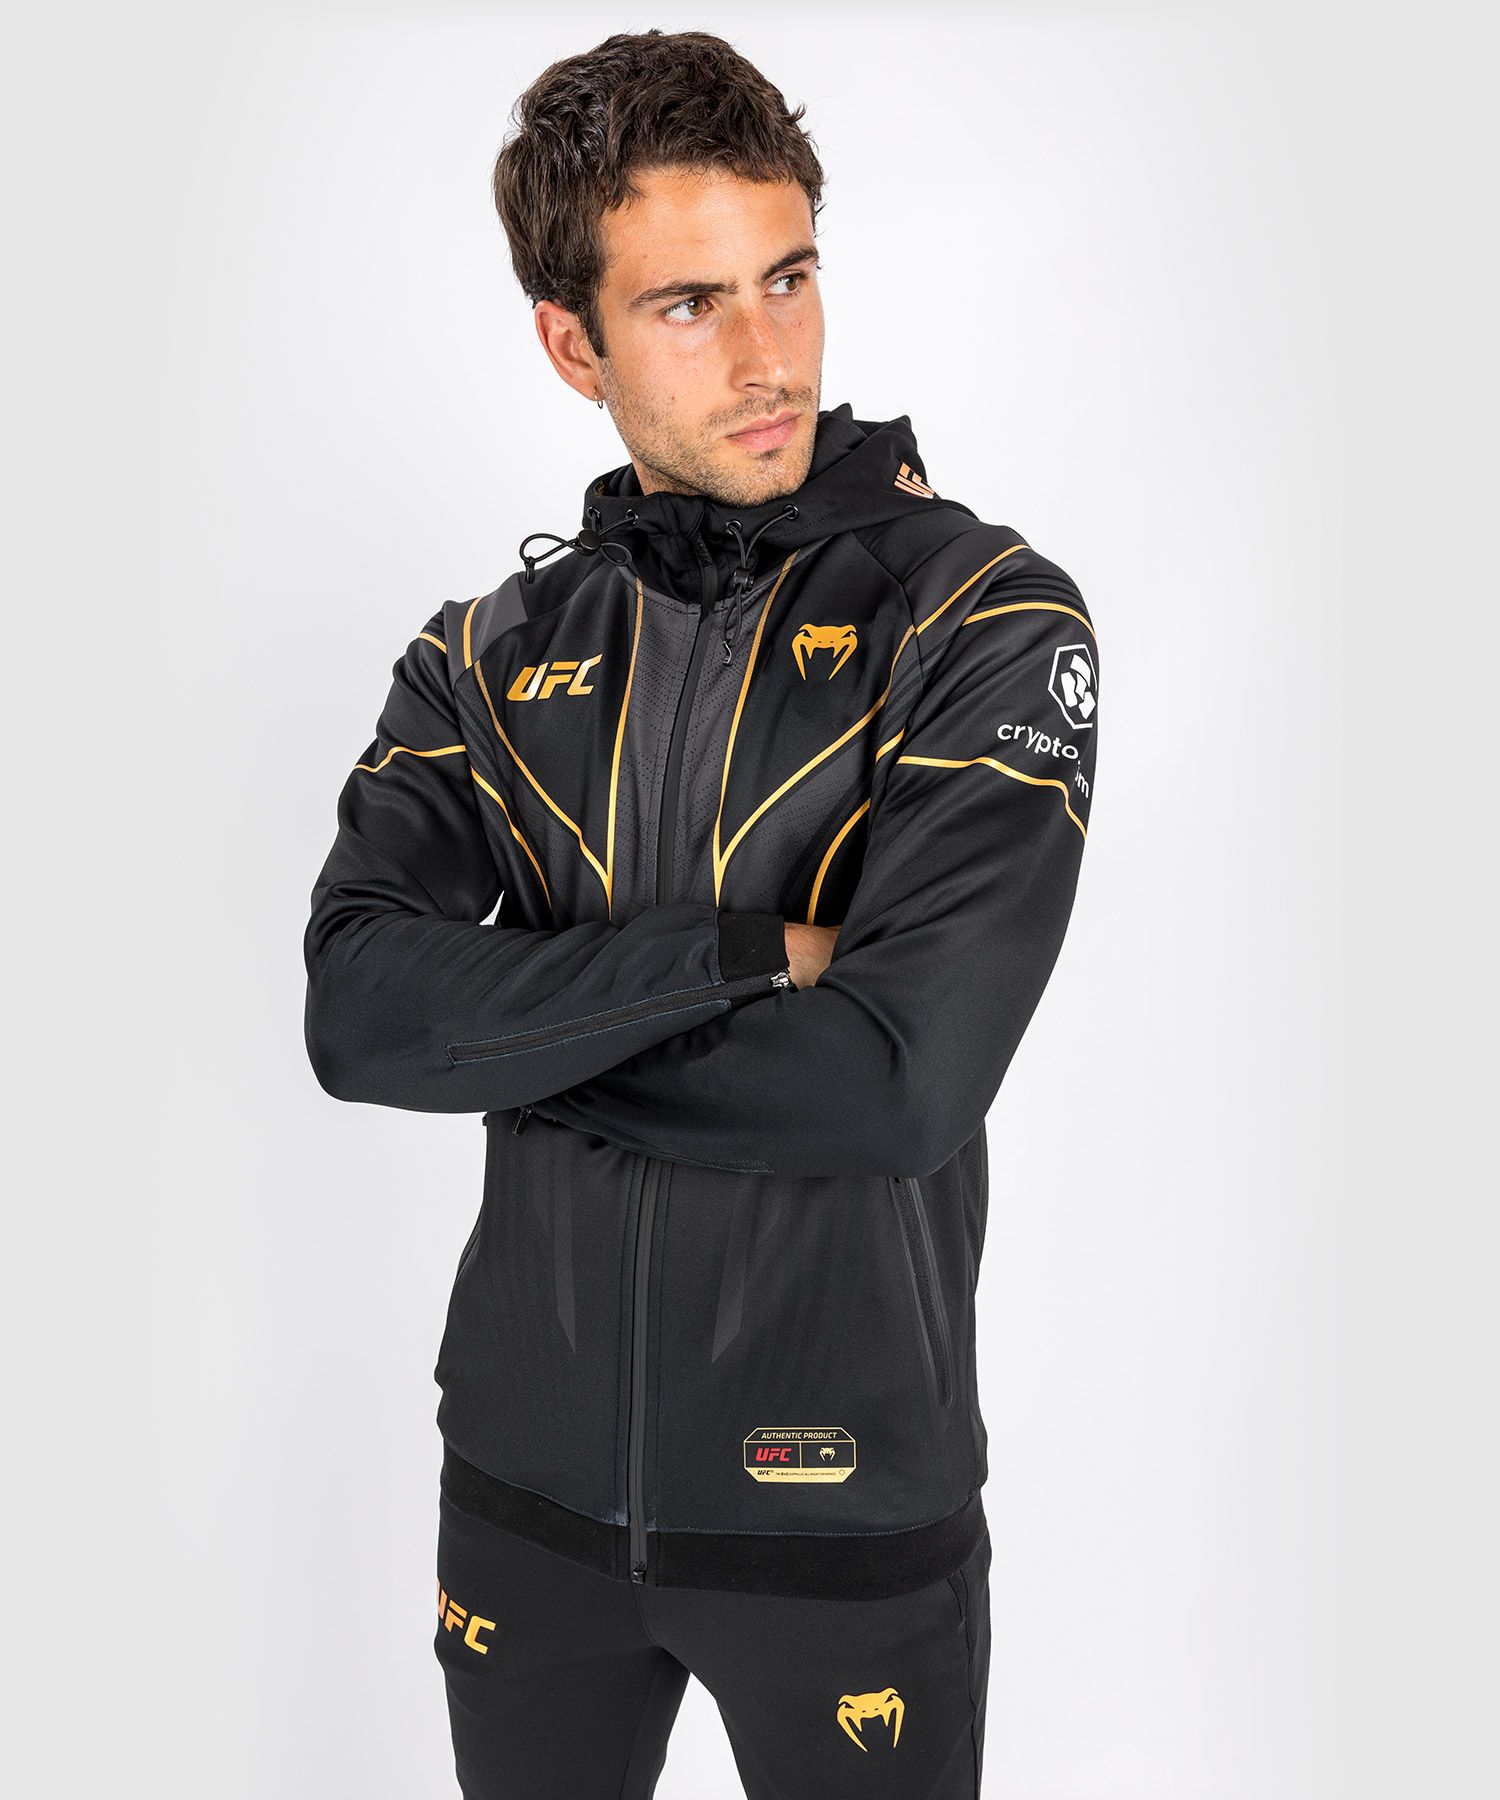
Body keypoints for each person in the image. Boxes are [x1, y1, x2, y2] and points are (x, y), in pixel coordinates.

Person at [302, 26, 1098, 1799]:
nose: (767, 358)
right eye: (688, 305)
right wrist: (743, 959)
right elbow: (356, 1015)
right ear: (571, 344)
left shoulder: (980, 623)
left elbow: (895, 1084)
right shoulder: (485, 659)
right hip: (519, 1499)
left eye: (788, 279)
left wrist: (512, 1040)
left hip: (843, 1511)